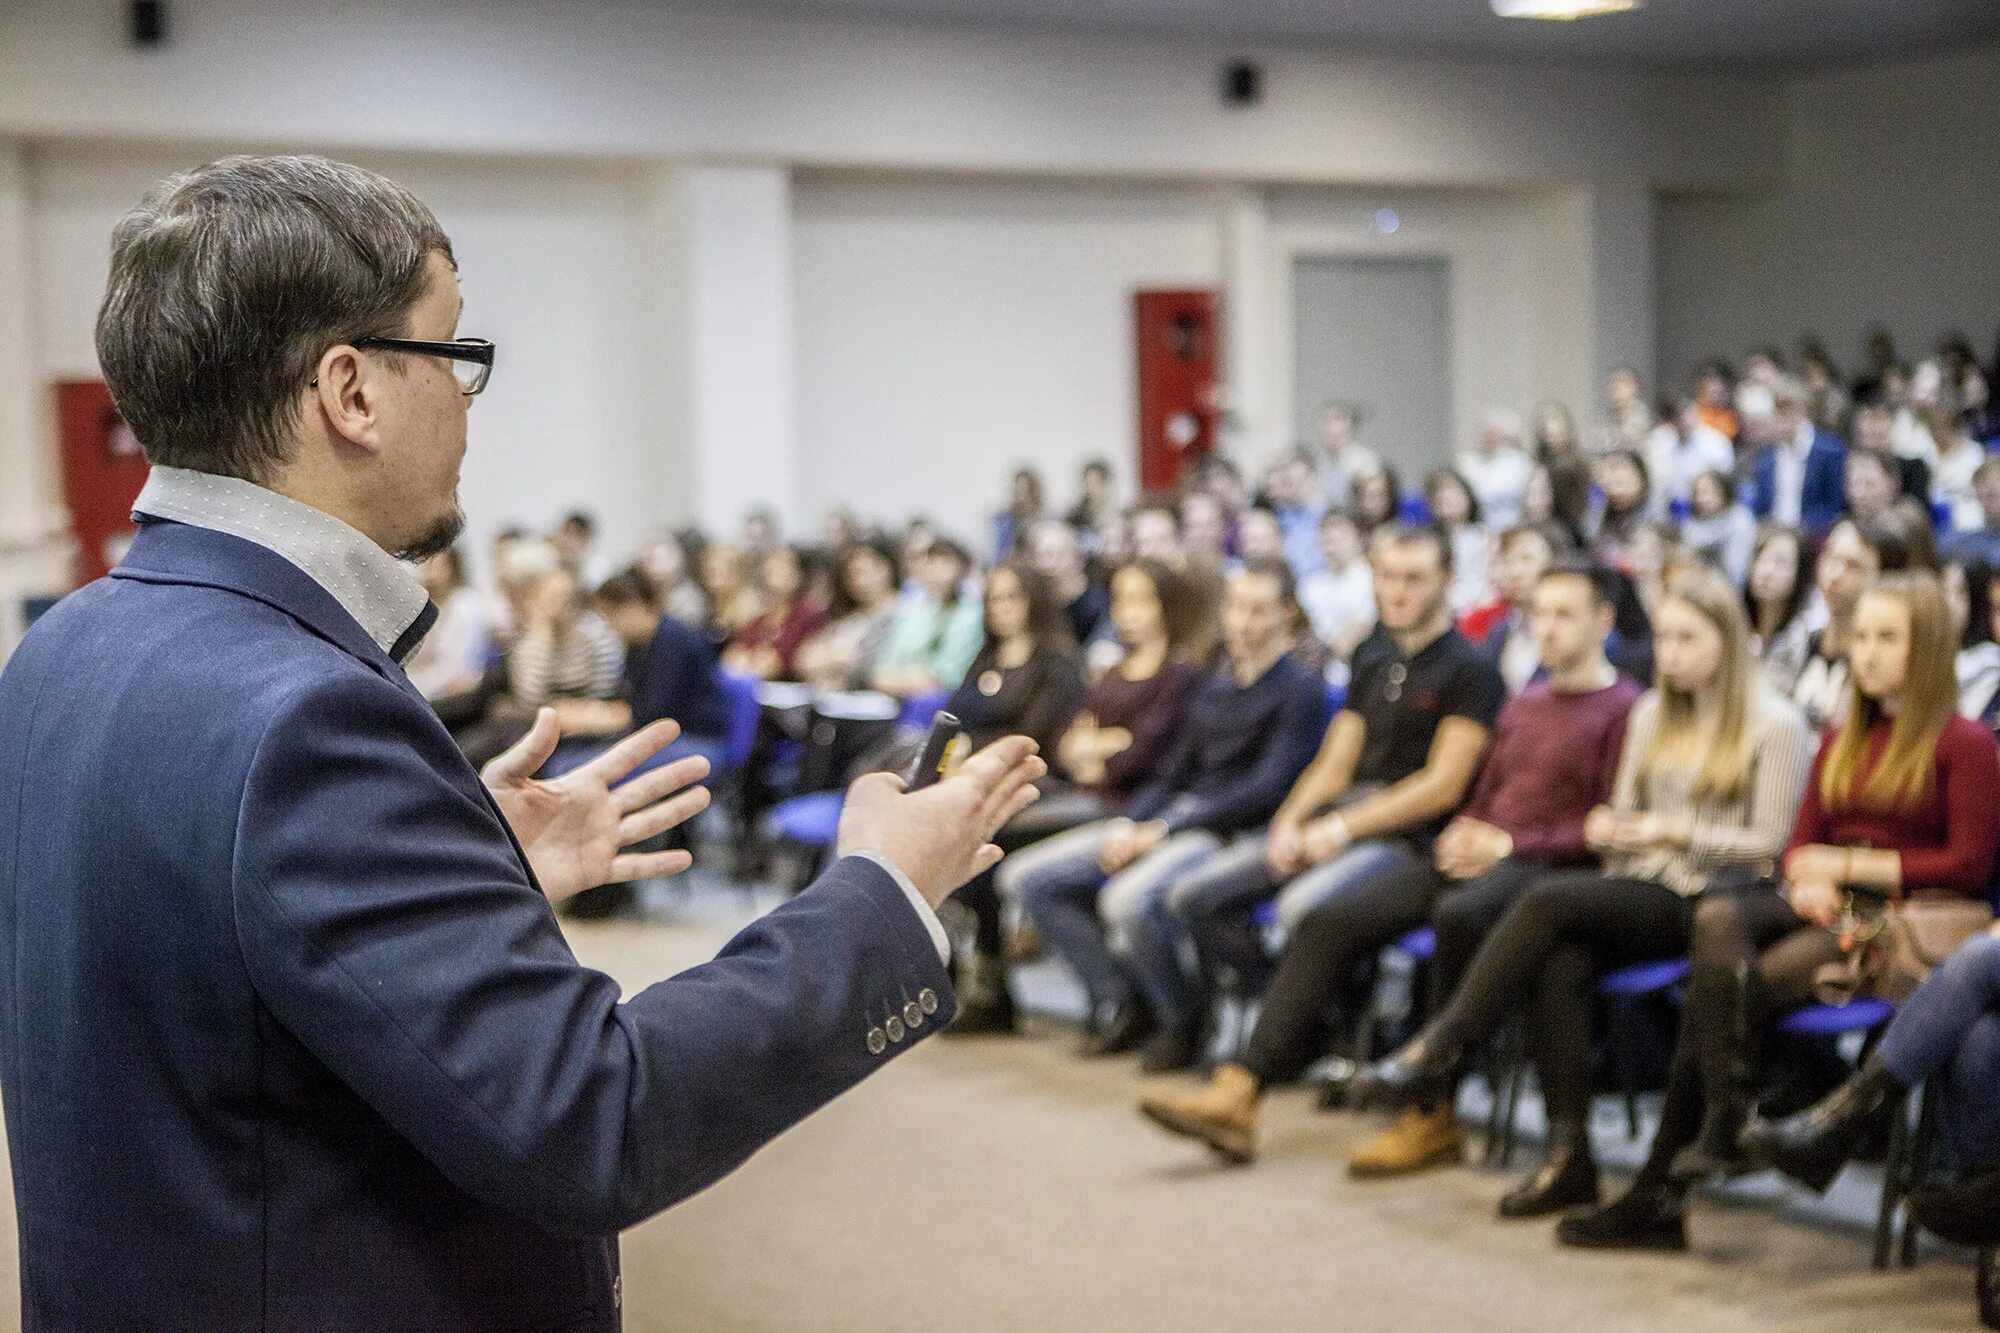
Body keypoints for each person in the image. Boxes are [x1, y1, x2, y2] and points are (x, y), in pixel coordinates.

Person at [0, 153, 1051, 1329]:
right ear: (350, 390)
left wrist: (451, 868)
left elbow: (187, 964)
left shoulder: (66, 645)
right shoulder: (308, 717)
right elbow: (591, 1120)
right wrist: (881, 892)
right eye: (455, 355)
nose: (466, 400)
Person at [1140, 562, 1638, 1174]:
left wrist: (1507, 844)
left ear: (1603, 620)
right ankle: (1241, 1090)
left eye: (1565, 614)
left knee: (1459, 916)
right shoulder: (1526, 702)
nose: (1548, 629)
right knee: (1328, 919)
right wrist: (1468, 827)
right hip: (1473, 851)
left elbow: (1608, 823)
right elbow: (1485, 788)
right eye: (1540, 614)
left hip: (1544, 868)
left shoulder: (1622, 707)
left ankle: (1430, 1112)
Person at [1564, 573, 2000, 1251]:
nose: (1870, 652)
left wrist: (1844, 868)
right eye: (1862, 636)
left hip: (1902, 914)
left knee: (1728, 986)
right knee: (1717, 925)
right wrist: (1807, 876)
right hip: (1825, 903)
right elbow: (1797, 843)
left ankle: (1672, 1174)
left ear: (1932, 646)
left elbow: (1967, 864)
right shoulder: (1843, 733)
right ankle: (1720, 1123)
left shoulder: (1964, 741)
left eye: (1890, 637)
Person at [1361, 568, 1812, 1220]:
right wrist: (1613, 826)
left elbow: (1770, 843)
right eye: (1663, 637)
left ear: (1729, 640)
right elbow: (1621, 813)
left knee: (1547, 902)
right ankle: (1569, 1154)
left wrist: (1671, 829)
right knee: (1558, 957)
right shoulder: (1654, 710)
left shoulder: (1776, 722)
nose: (1670, 653)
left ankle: (1445, 1040)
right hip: (1641, 880)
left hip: (1719, 899)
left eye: (1688, 638)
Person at [1158, 526, 1504, 1070]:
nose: (1396, 592)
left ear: (1447, 581)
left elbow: (1441, 786)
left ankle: (1307, 1038)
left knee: (1302, 908)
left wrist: (1340, 829)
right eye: (1386, 577)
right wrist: (1289, 822)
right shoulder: (1373, 653)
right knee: (1196, 897)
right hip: (1338, 819)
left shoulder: (1471, 667)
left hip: (1404, 837)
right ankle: (1308, 1026)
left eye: (1413, 579)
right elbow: (1335, 763)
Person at [1002, 561, 1323, 1067]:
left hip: (1227, 832)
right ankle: (1125, 1000)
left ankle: (1182, 1018)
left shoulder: (1300, 692)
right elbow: (1171, 773)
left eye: (1258, 611)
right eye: (1237, 608)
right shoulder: (1217, 688)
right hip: (1167, 821)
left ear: (1286, 616)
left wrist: (1163, 828)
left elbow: (1265, 789)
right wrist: (1135, 823)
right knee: (1028, 877)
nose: (1243, 623)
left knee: (1128, 901)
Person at [1794, 516, 1914, 732]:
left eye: (1853, 566)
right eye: (1830, 556)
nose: (1834, 574)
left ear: (1885, 578)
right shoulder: (1800, 641)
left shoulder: (1888, 662)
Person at [872, 537, 984, 699]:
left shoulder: (971, 613)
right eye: (931, 561)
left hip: (940, 700)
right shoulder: (911, 609)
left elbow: (944, 677)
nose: (937, 568)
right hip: (894, 696)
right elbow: (882, 670)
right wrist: (899, 681)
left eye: (944, 560)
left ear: (961, 566)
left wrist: (899, 681)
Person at [1462, 523, 1564, 693]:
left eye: (1527, 559)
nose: (1515, 571)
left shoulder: (1577, 632)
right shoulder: (1498, 632)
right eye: (1508, 561)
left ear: (1556, 563)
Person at [796, 538, 902, 694]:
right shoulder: (848, 617)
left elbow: (864, 666)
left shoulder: (902, 613)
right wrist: (838, 657)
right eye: (851, 574)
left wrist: (832, 658)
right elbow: (804, 661)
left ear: (885, 569)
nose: (857, 581)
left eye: (862, 571)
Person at [1748, 378, 1846, 536]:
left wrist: (1803, 529)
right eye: (1778, 413)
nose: (1783, 420)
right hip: (1774, 536)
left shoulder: (1830, 450)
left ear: (1804, 412)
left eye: (1789, 412)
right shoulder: (1766, 459)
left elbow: (1835, 505)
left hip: (1813, 536)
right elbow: (1760, 509)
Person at [723, 543, 828, 682]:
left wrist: (754, 659)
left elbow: (783, 661)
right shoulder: (759, 619)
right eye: (773, 565)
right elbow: (733, 656)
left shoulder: (808, 614)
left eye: (785, 566)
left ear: (798, 575)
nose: (777, 571)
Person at [404, 544, 492, 701]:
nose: (428, 570)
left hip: (458, 694)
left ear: (452, 567)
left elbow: (460, 669)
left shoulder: (467, 605)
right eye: (425, 564)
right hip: (431, 687)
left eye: (435, 564)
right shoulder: (425, 606)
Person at [1298, 509, 1377, 669]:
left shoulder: (1370, 579)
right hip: (1313, 670)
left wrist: (1323, 653)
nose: (1331, 549)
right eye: (1326, 542)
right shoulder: (1311, 585)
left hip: (1355, 667)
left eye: (1338, 540)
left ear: (1358, 538)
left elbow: (1361, 627)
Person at [1743, 524, 1814, 695]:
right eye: (1760, 558)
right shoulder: (1738, 623)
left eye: (1780, 563)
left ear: (1800, 574)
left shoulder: (1808, 635)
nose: (1766, 571)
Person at [1646, 397, 1735, 520]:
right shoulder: (1659, 440)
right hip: (1670, 508)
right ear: (1671, 421)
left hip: (1708, 510)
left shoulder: (1717, 444)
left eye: (1688, 415)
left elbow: (1725, 487)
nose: (1684, 421)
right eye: (1678, 417)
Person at [1028, 518, 1109, 645]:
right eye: (1041, 556)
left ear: (1078, 559)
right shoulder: (1034, 606)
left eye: (1060, 554)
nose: (1048, 565)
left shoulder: (1099, 606)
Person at [1424, 467, 1490, 615]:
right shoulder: (1430, 543)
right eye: (1442, 496)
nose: (1450, 499)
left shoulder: (1485, 536)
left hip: (1481, 608)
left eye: (1455, 493)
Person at [1456, 407, 1532, 529]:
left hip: (1513, 528)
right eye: (1486, 434)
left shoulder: (1518, 462)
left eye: (1495, 433)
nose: (1488, 439)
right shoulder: (1473, 461)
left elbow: (1485, 493)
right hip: (1479, 529)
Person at [1681, 468, 1757, 585]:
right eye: (1698, 493)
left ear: (1723, 490)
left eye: (1707, 492)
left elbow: (1737, 571)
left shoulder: (1740, 520)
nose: (1702, 499)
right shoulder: (1691, 524)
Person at [1312, 401, 1381, 511]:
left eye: (1331, 420)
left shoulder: (1365, 461)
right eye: (1323, 420)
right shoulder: (1318, 462)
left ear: (1348, 426)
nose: (1323, 427)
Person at [1944, 457, 2000, 570]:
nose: (1984, 504)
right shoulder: (1977, 537)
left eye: (1991, 495)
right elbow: (1943, 547)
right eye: (1980, 496)